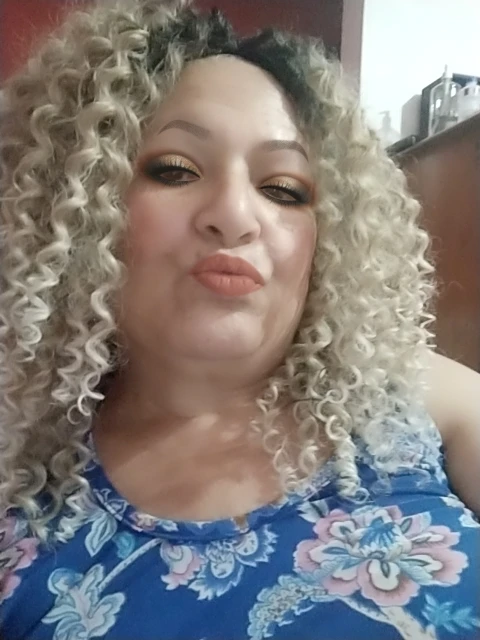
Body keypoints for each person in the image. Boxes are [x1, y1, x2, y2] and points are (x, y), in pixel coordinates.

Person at [0, 0, 479, 638]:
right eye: (175, 170)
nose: (234, 214)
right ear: (79, 209)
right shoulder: (21, 493)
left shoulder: (414, 395)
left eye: (283, 189)